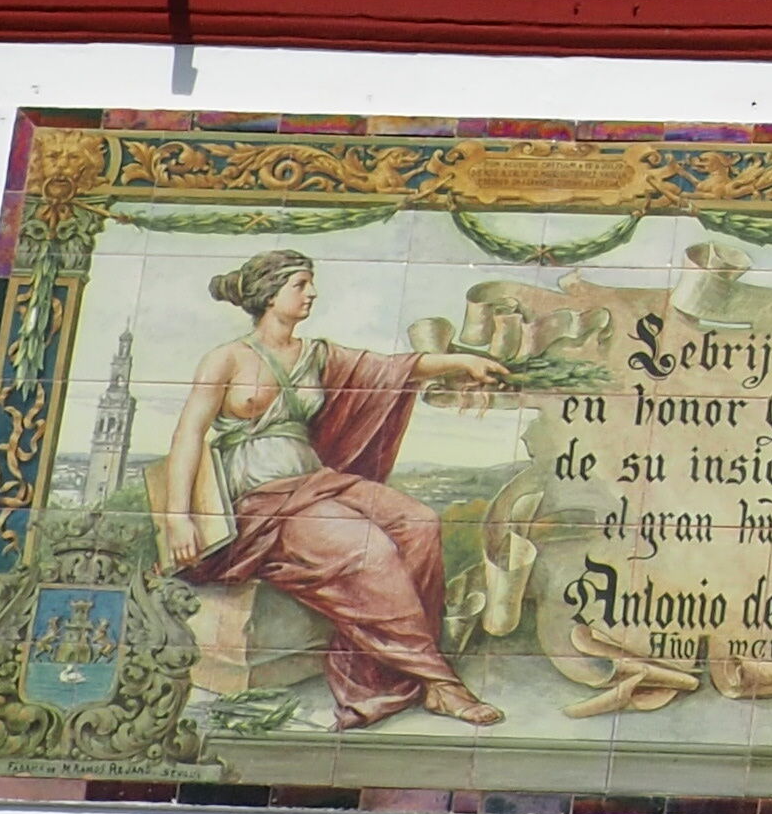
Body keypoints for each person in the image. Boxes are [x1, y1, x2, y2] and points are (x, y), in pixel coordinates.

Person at [155, 248, 512, 729]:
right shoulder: (225, 359)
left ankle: (387, 667)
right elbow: (188, 436)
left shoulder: (318, 356)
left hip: (317, 483)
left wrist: (461, 363)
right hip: (260, 504)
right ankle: (439, 684)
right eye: (300, 284)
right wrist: (178, 518)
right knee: (372, 552)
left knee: (421, 524)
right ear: (269, 293)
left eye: (310, 283)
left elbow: (392, 369)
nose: (312, 293)